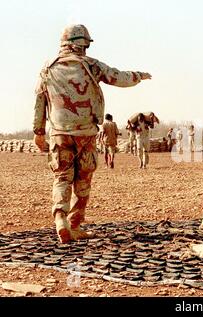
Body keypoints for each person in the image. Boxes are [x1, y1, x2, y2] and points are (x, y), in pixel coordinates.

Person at [33, 24, 152, 243]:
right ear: (82, 44)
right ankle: (75, 222)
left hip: (59, 133)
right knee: (84, 177)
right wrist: (139, 76)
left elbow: (40, 99)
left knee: (61, 176)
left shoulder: (47, 68)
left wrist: (38, 132)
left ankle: (60, 218)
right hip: (86, 133)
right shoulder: (91, 65)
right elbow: (118, 77)